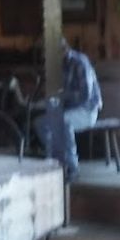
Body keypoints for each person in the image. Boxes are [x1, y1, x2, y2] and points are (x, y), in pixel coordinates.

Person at [34, 38, 102, 180]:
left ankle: (72, 167)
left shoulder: (80, 62)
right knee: (40, 124)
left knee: (63, 123)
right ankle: (58, 162)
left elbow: (85, 95)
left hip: (87, 110)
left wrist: (61, 97)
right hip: (69, 110)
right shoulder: (59, 66)